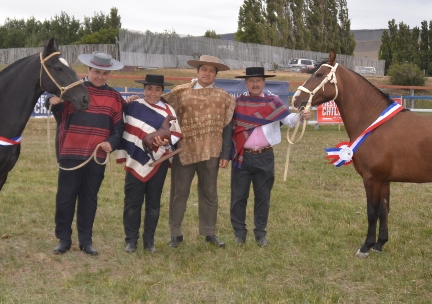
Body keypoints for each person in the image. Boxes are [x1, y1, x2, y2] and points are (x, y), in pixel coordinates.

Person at [48, 51, 125, 256]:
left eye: (105, 73)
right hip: (71, 153)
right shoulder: (73, 91)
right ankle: (63, 239)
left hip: (96, 157)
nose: (100, 76)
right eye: (97, 72)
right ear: (88, 70)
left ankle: (86, 240)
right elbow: (59, 113)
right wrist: (54, 102)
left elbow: (118, 128)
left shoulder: (115, 98)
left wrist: (111, 142)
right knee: (65, 197)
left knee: (89, 198)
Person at [231, 67, 312, 247]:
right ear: (245, 83)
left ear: (264, 82)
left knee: (263, 196)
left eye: (258, 80)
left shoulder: (273, 102)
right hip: (242, 156)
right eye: (251, 81)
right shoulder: (237, 103)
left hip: (265, 157)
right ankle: (239, 234)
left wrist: (301, 116)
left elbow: (288, 120)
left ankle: (260, 234)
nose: (255, 84)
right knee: (238, 196)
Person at [162, 55, 236, 248]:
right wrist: (138, 101)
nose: (207, 73)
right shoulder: (180, 93)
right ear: (197, 71)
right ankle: (175, 233)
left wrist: (225, 154)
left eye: (212, 71)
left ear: (215, 75)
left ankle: (209, 232)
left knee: (209, 193)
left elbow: (227, 127)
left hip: (211, 152)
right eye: (204, 69)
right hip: (184, 151)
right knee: (179, 192)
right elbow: (159, 109)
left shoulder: (224, 97)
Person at [116, 74, 183, 253]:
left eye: (157, 89)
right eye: (149, 89)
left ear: (163, 91)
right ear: (144, 89)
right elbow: (121, 124)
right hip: (135, 159)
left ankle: (149, 241)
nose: (153, 93)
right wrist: (126, 102)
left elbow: (176, 134)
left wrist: (166, 142)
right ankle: (131, 240)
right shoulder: (133, 106)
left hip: (158, 162)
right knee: (132, 202)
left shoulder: (168, 111)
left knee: (153, 203)